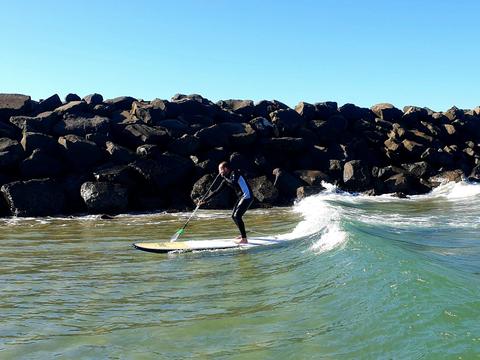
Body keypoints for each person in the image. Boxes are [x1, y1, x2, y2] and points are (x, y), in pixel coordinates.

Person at [198, 161, 253, 244]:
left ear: (225, 169)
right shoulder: (226, 179)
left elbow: (233, 182)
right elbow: (216, 191)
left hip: (247, 196)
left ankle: (244, 239)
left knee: (237, 216)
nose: (219, 172)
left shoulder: (235, 173)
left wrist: (224, 178)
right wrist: (205, 199)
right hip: (241, 197)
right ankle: (242, 235)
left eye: (220, 170)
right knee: (233, 216)